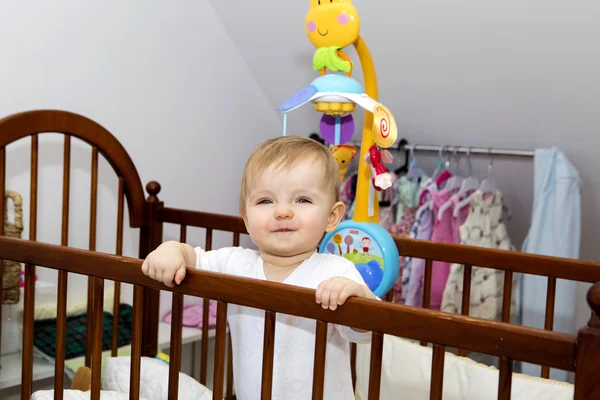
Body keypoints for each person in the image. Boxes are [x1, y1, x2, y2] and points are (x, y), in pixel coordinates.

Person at [141, 135, 379, 399]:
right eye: (266, 201)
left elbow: (369, 331)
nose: (283, 212)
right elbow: (192, 258)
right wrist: (172, 249)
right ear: (245, 216)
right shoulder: (235, 264)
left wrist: (358, 297)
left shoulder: (337, 271)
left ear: (332, 216)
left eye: (302, 200)